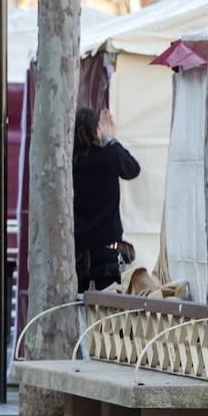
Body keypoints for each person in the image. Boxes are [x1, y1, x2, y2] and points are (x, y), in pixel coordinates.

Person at [73, 108, 141, 291]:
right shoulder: (108, 157)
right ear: (97, 130)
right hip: (107, 249)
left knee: (76, 308)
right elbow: (133, 169)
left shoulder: (70, 163)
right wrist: (111, 140)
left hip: (77, 251)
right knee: (109, 310)